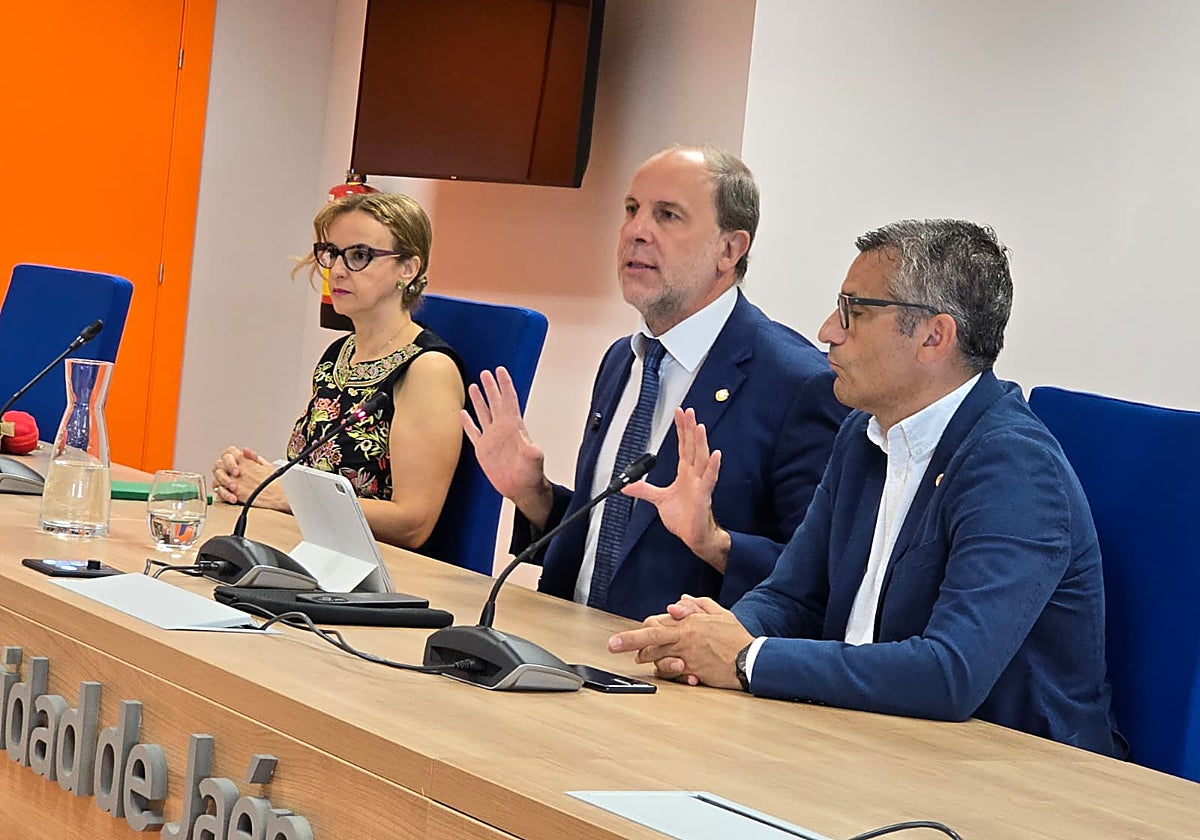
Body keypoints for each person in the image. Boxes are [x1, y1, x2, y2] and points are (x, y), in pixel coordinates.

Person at [608, 219, 1125, 757]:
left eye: (853, 310)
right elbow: (793, 595)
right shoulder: (863, 432)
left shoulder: (1014, 466)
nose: (828, 330)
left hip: (1016, 769)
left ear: (934, 337)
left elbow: (951, 673)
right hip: (870, 737)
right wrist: (710, 635)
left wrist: (745, 659)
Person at [464, 146, 848, 621]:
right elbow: (613, 539)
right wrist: (533, 493)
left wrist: (714, 542)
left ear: (729, 249)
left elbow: (818, 586)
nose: (636, 231)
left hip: (676, 660)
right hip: (567, 639)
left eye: (667, 215)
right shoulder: (623, 359)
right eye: (632, 210)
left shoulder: (798, 383)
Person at [212, 192, 466, 550]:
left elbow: (413, 522)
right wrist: (251, 478)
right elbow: (320, 475)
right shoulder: (339, 354)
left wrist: (285, 495)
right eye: (332, 253)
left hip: (380, 569)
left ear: (407, 268)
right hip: (315, 547)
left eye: (359, 255)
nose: (338, 270)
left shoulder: (427, 369)